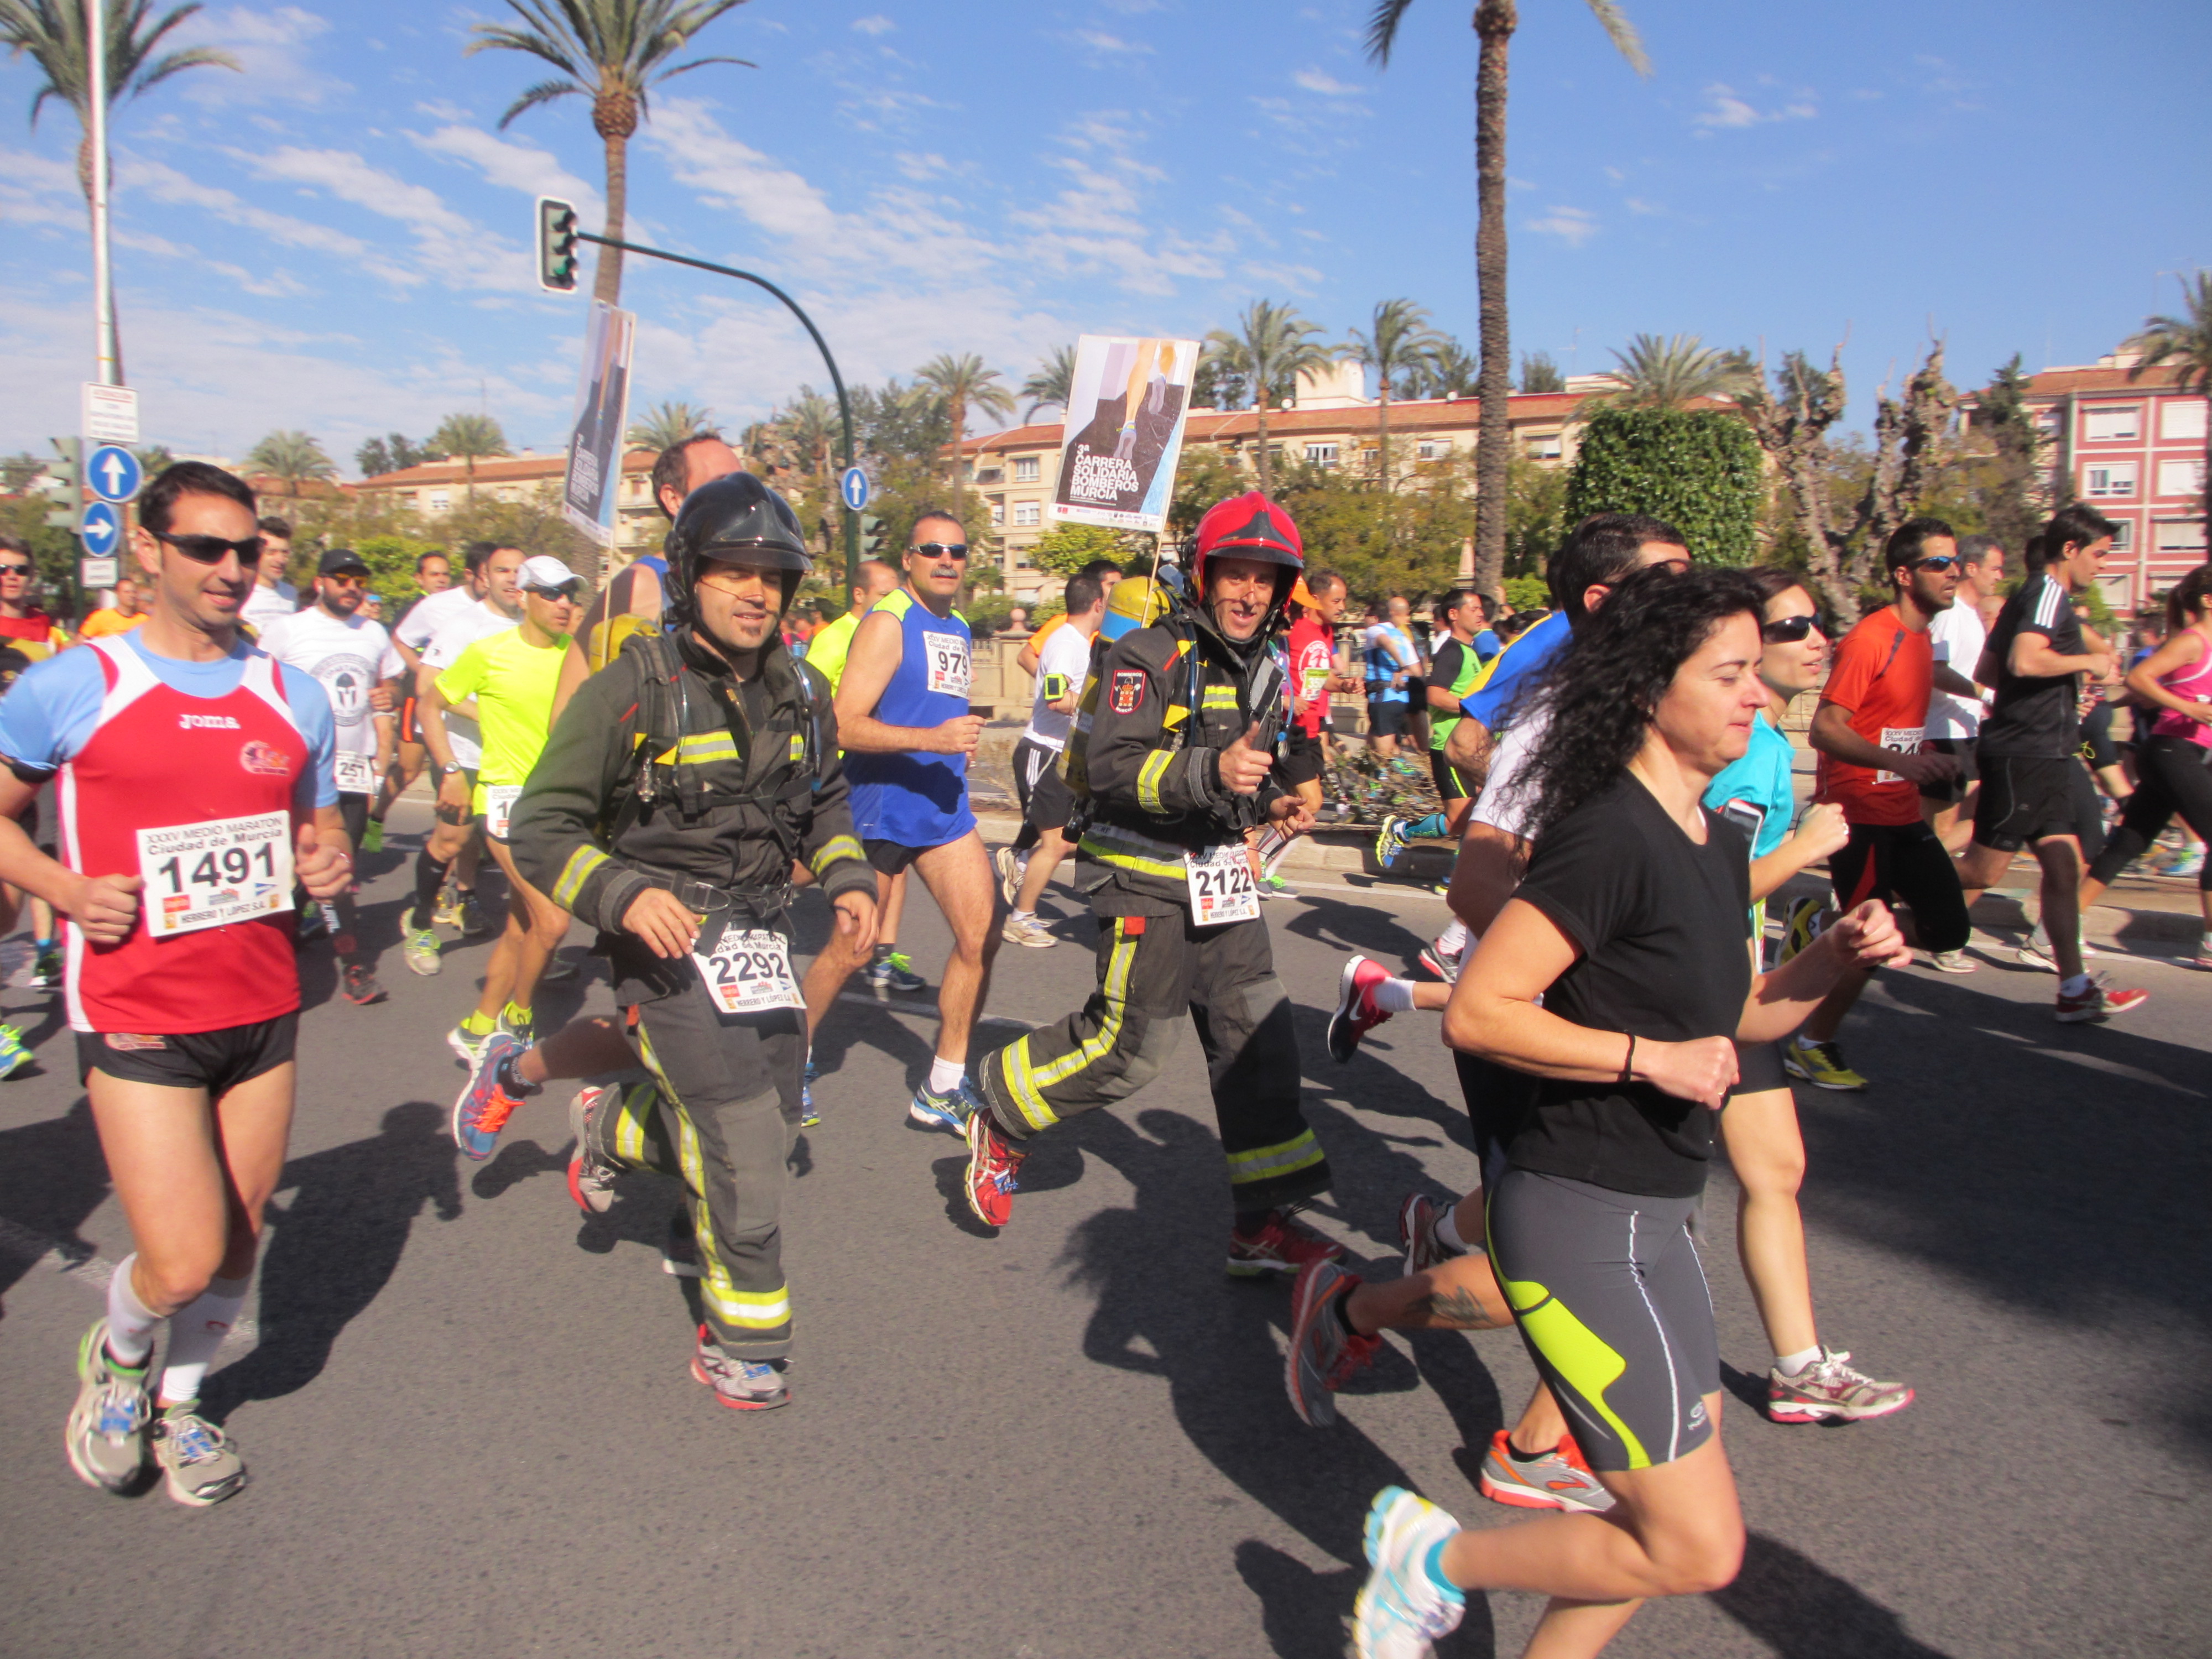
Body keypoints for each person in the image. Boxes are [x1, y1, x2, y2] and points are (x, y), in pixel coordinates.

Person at [1345, 565, 1910, 1659]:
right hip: (1575, 1222)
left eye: (1761, 672)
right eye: (1731, 674)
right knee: (1695, 1549)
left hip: (1657, 1223)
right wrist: (1643, 1057)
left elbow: (1740, 1018)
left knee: (1651, 1537)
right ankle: (1433, 1558)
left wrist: (1832, 957)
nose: (1760, 698)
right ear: (1652, 687)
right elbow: (1481, 1012)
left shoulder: (1712, 838)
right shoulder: (1605, 836)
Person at [476, 473, 877, 1411]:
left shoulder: (807, 692)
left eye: (773, 575)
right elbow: (542, 826)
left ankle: (611, 1127)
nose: (757, 592)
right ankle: (745, 1340)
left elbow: (824, 802)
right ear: (693, 576)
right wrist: (621, 893)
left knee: (773, 1124)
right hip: (658, 949)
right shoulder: (631, 690)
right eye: (734, 571)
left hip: (759, 941)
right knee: (740, 1133)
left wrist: (849, 874)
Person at [0, 462, 351, 1506]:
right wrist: (62, 885)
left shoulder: (289, 693)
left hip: (261, 1007)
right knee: (185, 1259)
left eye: (246, 550)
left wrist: (326, 859)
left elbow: (315, 828)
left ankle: (183, 1401)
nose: (232, 569)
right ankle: (116, 1367)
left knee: (241, 1239)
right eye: (206, 547)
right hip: (138, 1011)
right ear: (149, 549)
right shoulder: (75, 683)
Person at [964, 492, 1344, 1277]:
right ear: (1205, 577)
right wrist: (1215, 770)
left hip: (1220, 881)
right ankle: (1001, 1109)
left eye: (1264, 580)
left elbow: (1237, 774)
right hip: (1140, 877)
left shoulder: (1267, 669)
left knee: (1258, 1042)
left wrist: (1267, 800)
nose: (1248, 593)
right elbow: (1110, 767)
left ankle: (1261, 1226)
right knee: (1131, 1049)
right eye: (1234, 575)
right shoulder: (1150, 654)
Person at [1778, 520, 1978, 1092]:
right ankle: (1811, 1043)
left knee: (1948, 927)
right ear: (1903, 574)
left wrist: (1981, 697)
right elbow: (1824, 729)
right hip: (1856, 809)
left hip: (1900, 809)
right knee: (1869, 940)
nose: (1954, 572)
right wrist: (1907, 764)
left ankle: (1818, 924)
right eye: (1940, 564)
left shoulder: (1919, 641)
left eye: (1955, 561)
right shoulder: (1873, 638)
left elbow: (1914, 700)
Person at [827, 508, 1005, 1127]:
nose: (947, 560)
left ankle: (943, 1085)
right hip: (882, 808)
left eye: (957, 551)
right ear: (908, 558)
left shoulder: (956, 625)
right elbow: (843, 724)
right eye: (933, 549)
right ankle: (781, 1060)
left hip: (943, 806)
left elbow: (938, 710)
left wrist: (954, 741)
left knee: (979, 933)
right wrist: (932, 738)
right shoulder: (887, 623)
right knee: (849, 954)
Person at [1953, 505, 2149, 1023]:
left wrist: (2060, 693)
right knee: (1981, 870)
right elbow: (2020, 661)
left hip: (2049, 752)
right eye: (2100, 555)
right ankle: (1869, 901)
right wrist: (2086, 664)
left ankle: (2074, 988)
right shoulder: (2046, 593)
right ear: (2071, 550)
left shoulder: (2031, 595)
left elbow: (1988, 670)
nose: (2104, 566)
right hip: (2027, 754)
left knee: (2064, 869)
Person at [421, 555, 581, 1063]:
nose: (563, 604)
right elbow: (430, 700)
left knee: (523, 926)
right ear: (523, 597)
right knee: (553, 923)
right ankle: (519, 1019)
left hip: (556, 808)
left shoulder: (574, 656)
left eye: (569, 594)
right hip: (504, 802)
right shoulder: (488, 652)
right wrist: (450, 770)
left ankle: (477, 1027)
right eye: (552, 593)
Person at [256, 547, 404, 1005]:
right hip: (295, 768)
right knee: (290, 869)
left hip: (352, 769)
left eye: (359, 579)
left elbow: (392, 680)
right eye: (342, 578)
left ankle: (333, 952)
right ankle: (327, 961)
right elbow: (255, 683)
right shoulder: (286, 630)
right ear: (320, 582)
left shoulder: (374, 632)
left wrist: (388, 695)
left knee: (337, 868)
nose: (352, 587)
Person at [2075, 564, 2212, 968]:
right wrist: (2189, 707)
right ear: (2208, 600)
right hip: (2174, 752)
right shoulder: (2192, 641)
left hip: (2178, 754)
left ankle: (2053, 929)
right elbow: (2139, 678)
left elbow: (2152, 694)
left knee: (2128, 843)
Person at [398, 544, 525, 974]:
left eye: (519, 571)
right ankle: (419, 925)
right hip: (464, 753)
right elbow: (427, 687)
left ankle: (528, 944)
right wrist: (486, 715)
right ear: (484, 578)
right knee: (454, 839)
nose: (512, 578)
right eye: (502, 570)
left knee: (521, 850)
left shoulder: (533, 624)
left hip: (514, 759)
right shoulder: (464, 625)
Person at [555, 432, 744, 717]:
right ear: (674, 498)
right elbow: (566, 715)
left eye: (744, 485)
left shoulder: (756, 584)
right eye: (721, 485)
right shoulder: (642, 584)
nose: (741, 497)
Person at [999, 571, 1107, 948]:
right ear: (1097, 604)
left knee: (1083, 838)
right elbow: (1056, 699)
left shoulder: (1081, 643)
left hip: (1065, 757)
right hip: (1043, 754)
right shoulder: (1066, 644)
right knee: (1058, 844)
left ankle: (1022, 861)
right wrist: (1100, 708)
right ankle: (1021, 918)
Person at [1376, 588, 1491, 872]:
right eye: (1473, 608)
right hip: (1452, 748)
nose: (1481, 613)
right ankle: (1402, 830)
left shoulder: (1469, 651)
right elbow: (1435, 695)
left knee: (1481, 813)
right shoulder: (1452, 652)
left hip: (1474, 747)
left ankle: (1457, 875)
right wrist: (1474, 708)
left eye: (1481, 609)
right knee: (1457, 821)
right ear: (1454, 615)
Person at [379, 544, 486, 841]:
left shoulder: (494, 607)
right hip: (423, 697)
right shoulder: (427, 607)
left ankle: (458, 849)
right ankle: (375, 817)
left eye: (444, 574)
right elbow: (399, 639)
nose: (440, 579)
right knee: (409, 770)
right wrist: (422, 668)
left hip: (461, 704)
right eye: (433, 574)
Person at [1922, 535, 2005, 852]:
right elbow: (1935, 669)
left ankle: (1929, 885)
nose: (2000, 576)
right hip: (1942, 734)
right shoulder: (1950, 612)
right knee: (1936, 828)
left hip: (1965, 733)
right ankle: (1913, 890)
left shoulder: (1970, 614)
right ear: (1971, 568)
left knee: (1978, 815)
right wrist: (1986, 695)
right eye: (1995, 568)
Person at [802, 557, 899, 693]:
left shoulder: (897, 633)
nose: (893, 602)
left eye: (897, 596)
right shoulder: (835, 637)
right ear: (859, 595)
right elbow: (809, 691)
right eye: (885, 595)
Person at [1015, 557, 1122, 679]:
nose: (1118, 591)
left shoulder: (1116, 623)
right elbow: (1025, 657)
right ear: (1092, 586)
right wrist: (1052, 684)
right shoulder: (1065, 623)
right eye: (1112, 585)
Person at [1363, 599, 1419, 763]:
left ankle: (1406, 781)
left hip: (1383, 696)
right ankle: (1376, 784)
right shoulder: (1402, 636)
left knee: (1383, 755)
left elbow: (1385, 642)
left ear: (1374, 617)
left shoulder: (1374, 630)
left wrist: (1401, 667)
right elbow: (1417, 670)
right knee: (1373, 748)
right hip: (1401, 698)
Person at [0, 536, 69, 660]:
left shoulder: (45, 624)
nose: (12, 576)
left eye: (21, 570)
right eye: (2, 570)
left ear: (31, 576)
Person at [237, 515, 299, 629]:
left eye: (285, 553)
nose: (280, 560)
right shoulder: (240, 591)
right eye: (271, 552)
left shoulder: (291, 594)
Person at [75, 575, 147, 639]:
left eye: (134, 592)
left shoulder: (144, 620)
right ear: (117, 594)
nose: (131, 595)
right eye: (127, 592)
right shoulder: (101, 616)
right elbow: (81, 640)